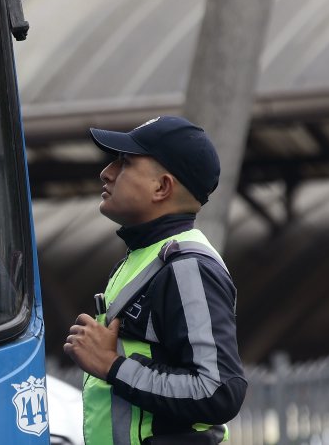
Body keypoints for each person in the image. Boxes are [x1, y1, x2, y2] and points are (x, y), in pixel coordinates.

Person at [64, 116, 246, 444]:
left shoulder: (187, 265)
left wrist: (111, 365)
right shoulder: (146, 256)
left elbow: (218, 390)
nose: (106, 172)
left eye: (125, 162)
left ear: (162, 187)